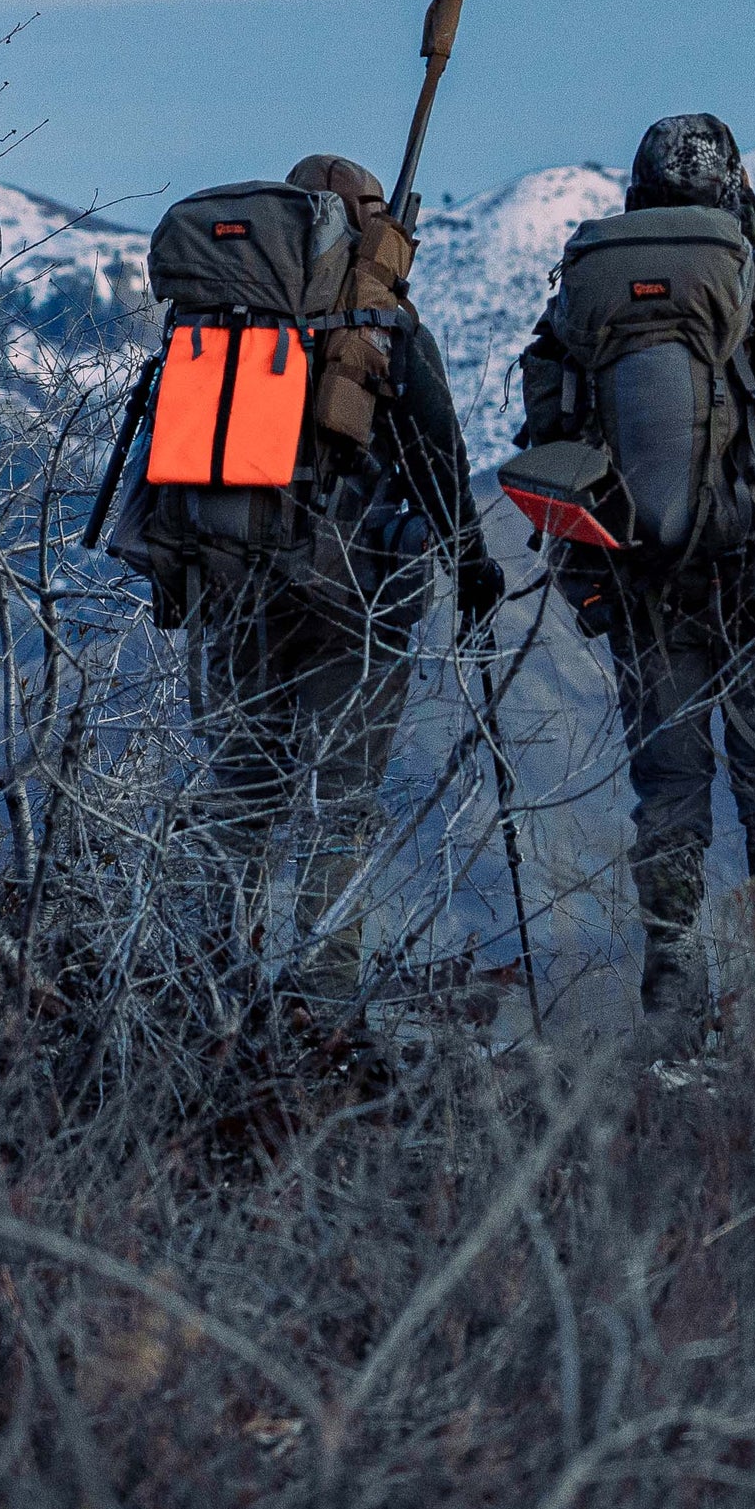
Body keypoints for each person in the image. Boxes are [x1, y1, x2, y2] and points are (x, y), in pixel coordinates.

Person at [513, 112, 755, 1043]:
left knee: (668, 792)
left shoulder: (584, 298)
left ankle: (674, 1006)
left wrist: (597, 564)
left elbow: (544, 440)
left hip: (642, 580)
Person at [126, 152, 499, 997]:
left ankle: (216, 983)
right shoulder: (383, 325)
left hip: (231, 583)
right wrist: (471, 566)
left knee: (242, 797)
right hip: (352, 598)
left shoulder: (212, 322)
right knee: (341, 803)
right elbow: (439, 456)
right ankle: (323, 997)